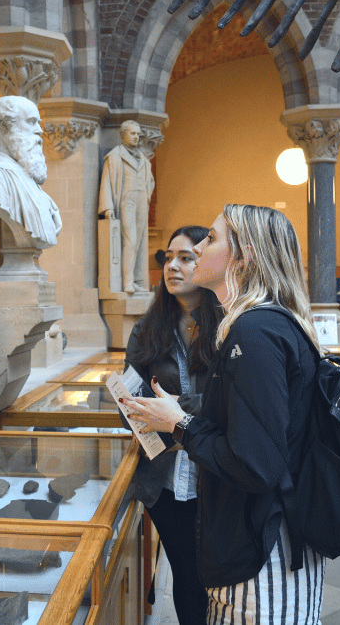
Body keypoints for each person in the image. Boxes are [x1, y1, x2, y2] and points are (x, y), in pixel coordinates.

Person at [122, 204, 326, 625]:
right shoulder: (256, 325)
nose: (196, 249)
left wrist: (179, 421)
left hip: (260, 546)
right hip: (251, 531)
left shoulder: (253, 332)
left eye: (209, 240)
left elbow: (256, 464)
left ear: (243, 258)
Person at [123, 225, 220, 625]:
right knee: (185, 572)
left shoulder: (228, 325)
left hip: (214, 472)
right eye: (168, 257)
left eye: (186, 258)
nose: (173, 266)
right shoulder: (147, 329)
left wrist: (178, 412)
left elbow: (231, 399)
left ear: (207, 263)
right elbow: (128, 398)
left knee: (215, 572)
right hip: (163, 477)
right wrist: (142, 412)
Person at [0, 95, 62, 248]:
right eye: (31, 122)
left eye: (38, 123)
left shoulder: (34, 185)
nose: (40, 131)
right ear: (4, 126)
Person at [98, 120, 155, 293]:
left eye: (138, 134)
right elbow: (106, 182)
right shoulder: (115, 155)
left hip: (141, 200)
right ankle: (126, 282)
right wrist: (107, 208)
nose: (136, 137)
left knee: (138, 241)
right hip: (126, 200)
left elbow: (150, 181)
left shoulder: (143, 158)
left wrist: (147, 195)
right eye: (132, 133)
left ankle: (136, 279)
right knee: (129, 240)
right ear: (123, 134)